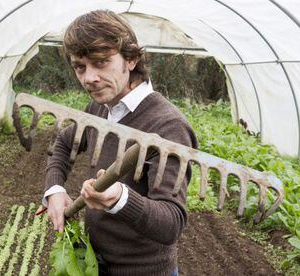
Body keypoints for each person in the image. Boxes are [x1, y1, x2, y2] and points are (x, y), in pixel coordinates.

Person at [42, 10, 198, 276]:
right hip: (96, 263)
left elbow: (171, 222)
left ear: (131, 59)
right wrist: (54, 188)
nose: (89, 78)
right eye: (80, 67)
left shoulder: (169, 126)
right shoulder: (100, 108)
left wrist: (120, 198)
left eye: (101, 62)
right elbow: (64, 143)